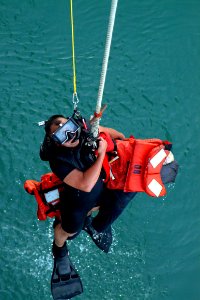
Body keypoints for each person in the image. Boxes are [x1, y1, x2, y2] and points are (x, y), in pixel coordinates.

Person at [40, 112, 178, 299]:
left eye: (69, 128)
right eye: (61, 135)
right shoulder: (59, 160)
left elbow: (119, 136)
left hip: (102, 189)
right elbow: (85, 184)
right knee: (70, 230)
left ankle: (94, 224)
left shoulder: (87, 132)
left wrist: (100, 132)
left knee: (121, 195)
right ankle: (59, 251)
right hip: (79, 199)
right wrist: (102, 152)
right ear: (55, 141)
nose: (70, 135)